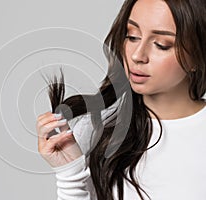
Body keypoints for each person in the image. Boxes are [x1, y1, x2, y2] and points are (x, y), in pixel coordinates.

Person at [36, 0, 206, 199]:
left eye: (162, 45)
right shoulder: (97, 128)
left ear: (197, 55)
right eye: (132, 36)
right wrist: (69, 174)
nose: (137, 55)